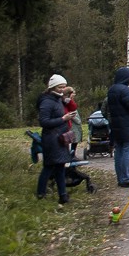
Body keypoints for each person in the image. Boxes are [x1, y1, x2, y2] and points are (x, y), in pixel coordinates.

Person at [37, 74, 78, 205]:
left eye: (64, 87)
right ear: (53, 87)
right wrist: (63, 119)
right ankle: (40, 194)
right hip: (51, 139)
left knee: (60, 167)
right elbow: (43, 122)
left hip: (60, 139)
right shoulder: (47, 102)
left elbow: (69, 107)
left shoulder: (58, 100)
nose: (62, 89)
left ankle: (63, 195)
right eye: (60, 87)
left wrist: (68, 113)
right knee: (49, 167)